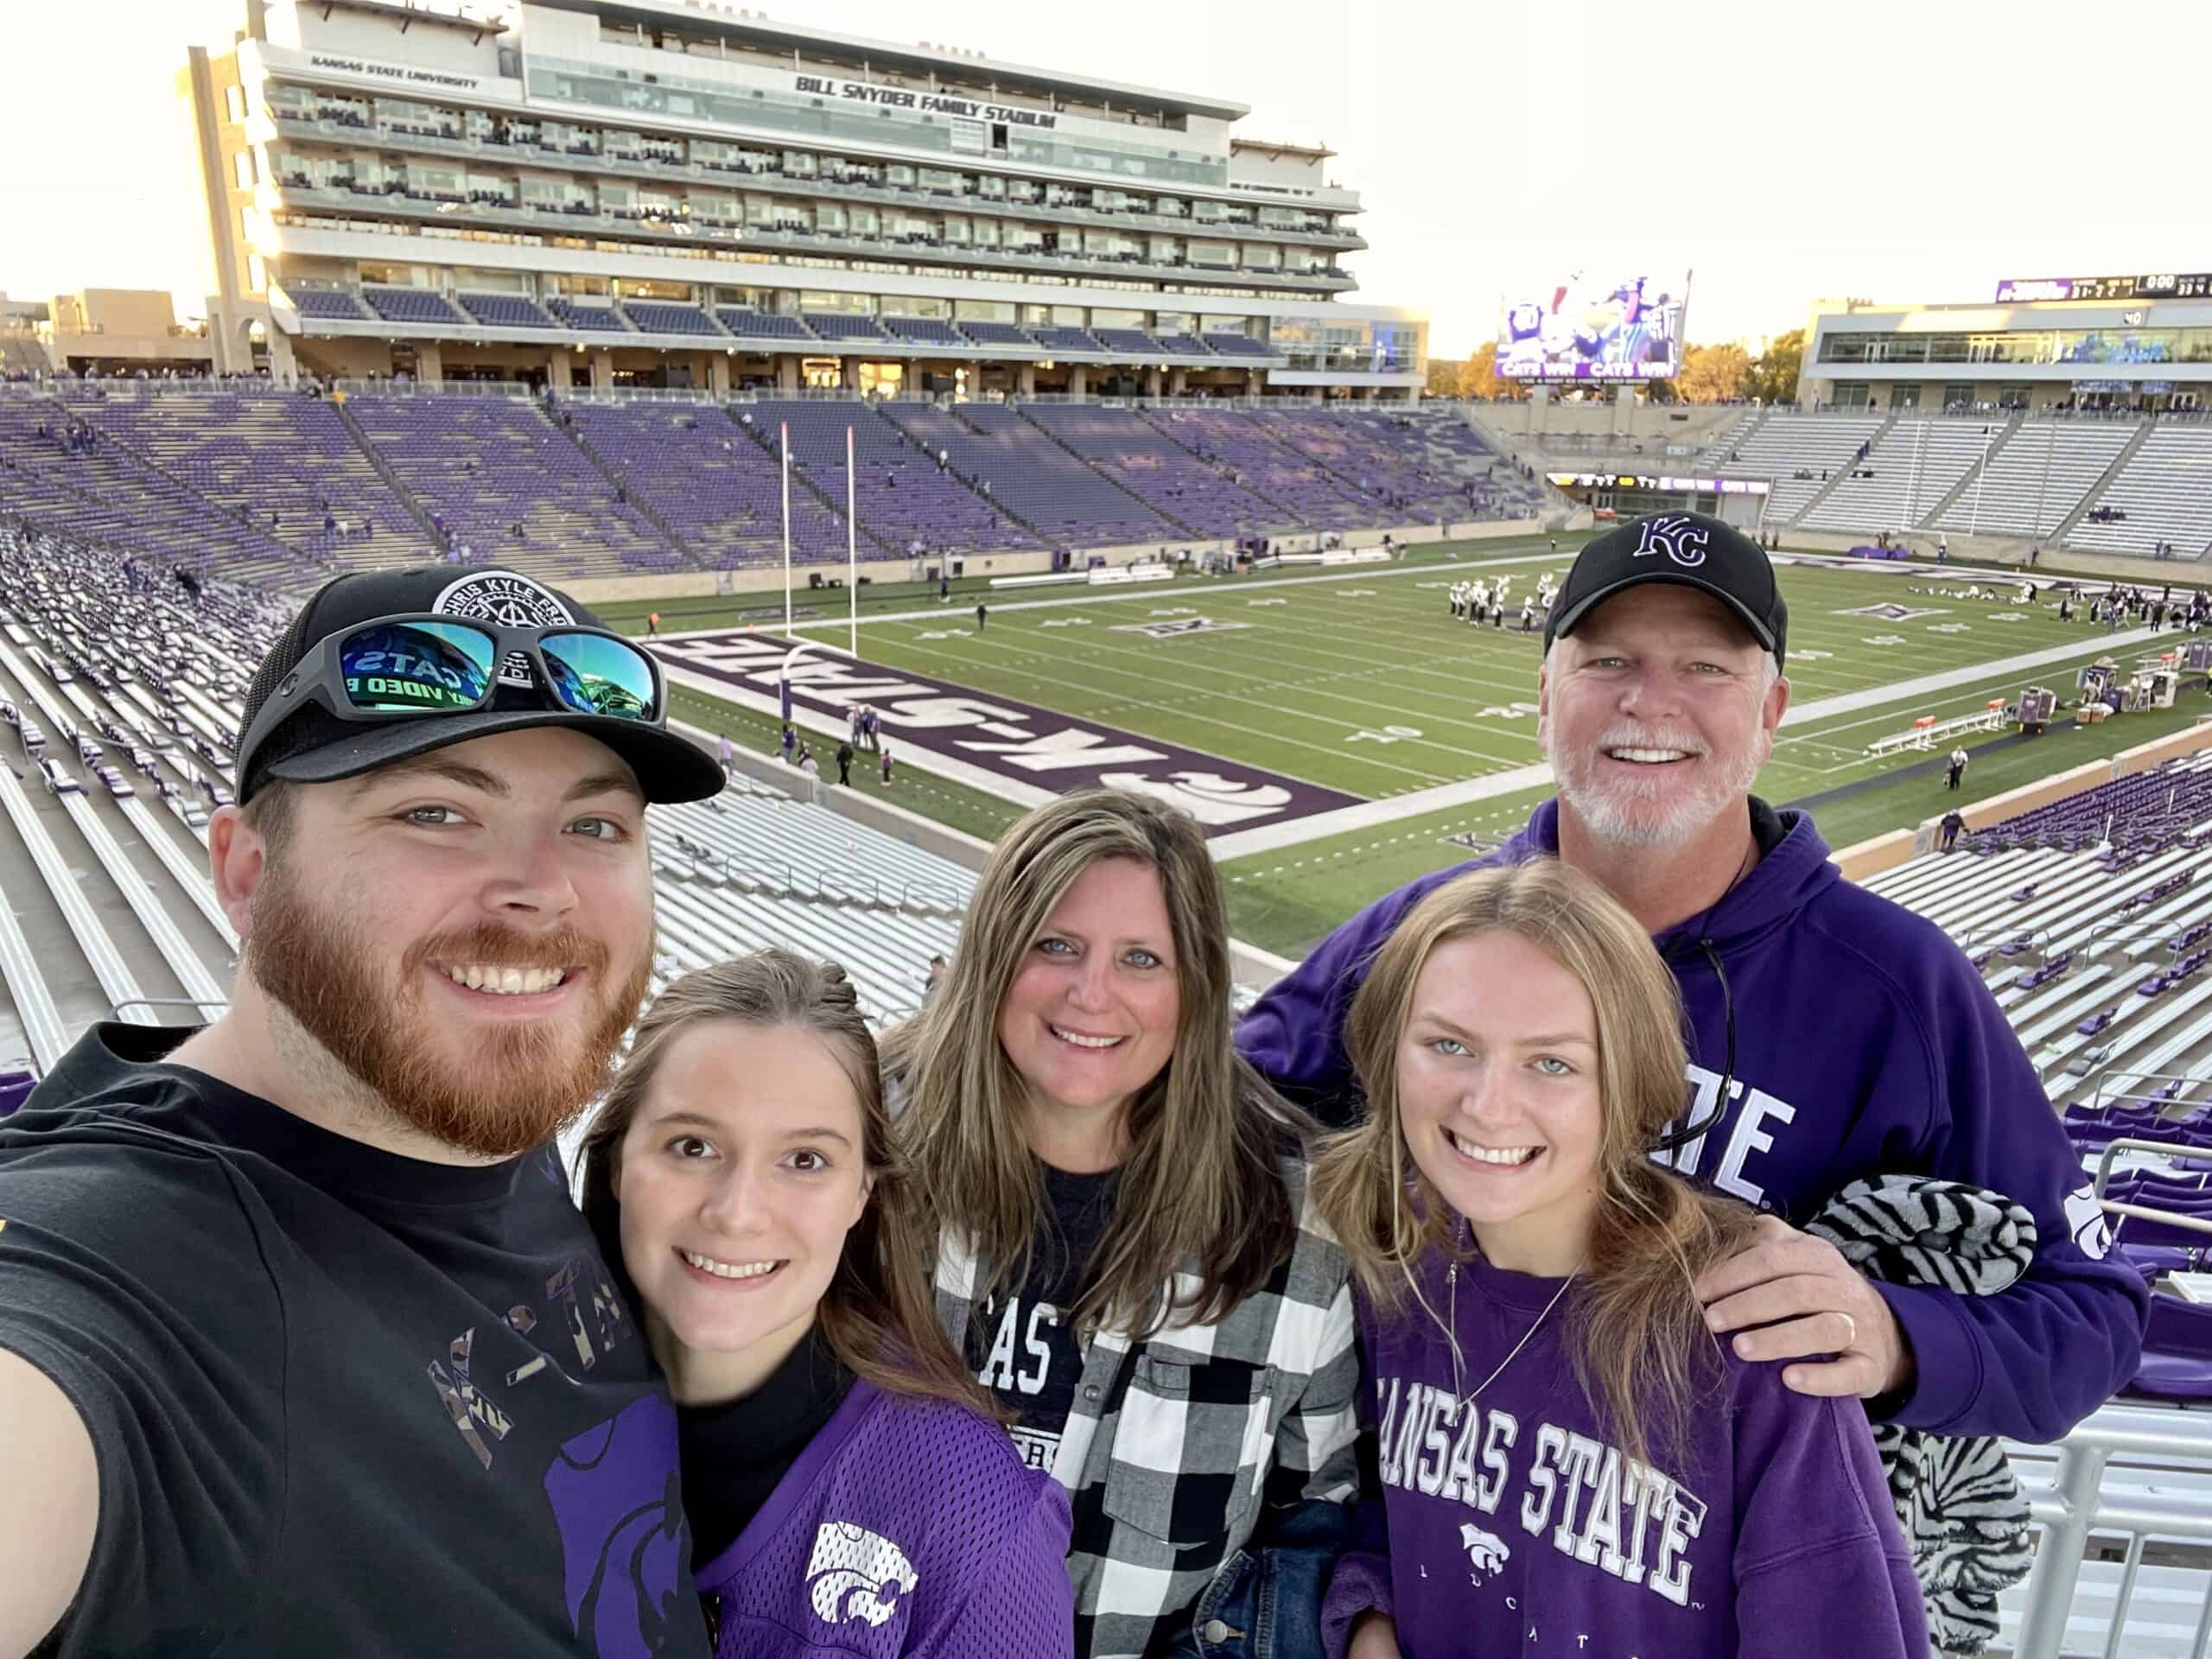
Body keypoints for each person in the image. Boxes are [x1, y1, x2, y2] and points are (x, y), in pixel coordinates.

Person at [1238, 510, 2146, 1466]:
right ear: (1545, 698)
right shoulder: (1418, 934)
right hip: (1409, 1548)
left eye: (1706, 668)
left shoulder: (1899, 985)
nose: (1650, 703)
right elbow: (1216, 1134)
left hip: (1704, 1588)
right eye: (1607, 662)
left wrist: (1893, 1334)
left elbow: (2091, 1314)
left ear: (1770, 710)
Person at [0, 564, 729, 1656]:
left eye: (595, 827)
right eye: (436, 811)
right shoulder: (122, 1272)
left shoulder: (466, 1104)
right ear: (246, 871)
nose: (541, 890)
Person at [1311, 861, 1926, 1659]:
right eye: (1449, 1045)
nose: (1488, 1104)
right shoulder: (1388, 1266)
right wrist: (1371, 1623)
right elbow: (1387, 1520)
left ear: (1629, 1081)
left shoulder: (1751, 1329)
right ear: (1386, 1053)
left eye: (1553, 1061)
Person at [883, 791, 1360, 1659]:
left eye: (1142, 959)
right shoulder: (858, 1139)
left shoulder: (1301, 1224)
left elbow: (1311, 1519)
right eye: (1054, 946)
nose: (1090, 994)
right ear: (992, 956)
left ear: (1197, 986)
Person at [576, 952, 1075, 1656]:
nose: (738, 1212)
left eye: (804, 1160)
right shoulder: (501, 1401)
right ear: (620, 1159)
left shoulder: (973, 1518)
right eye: (692, 1146)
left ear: (862, 1193)